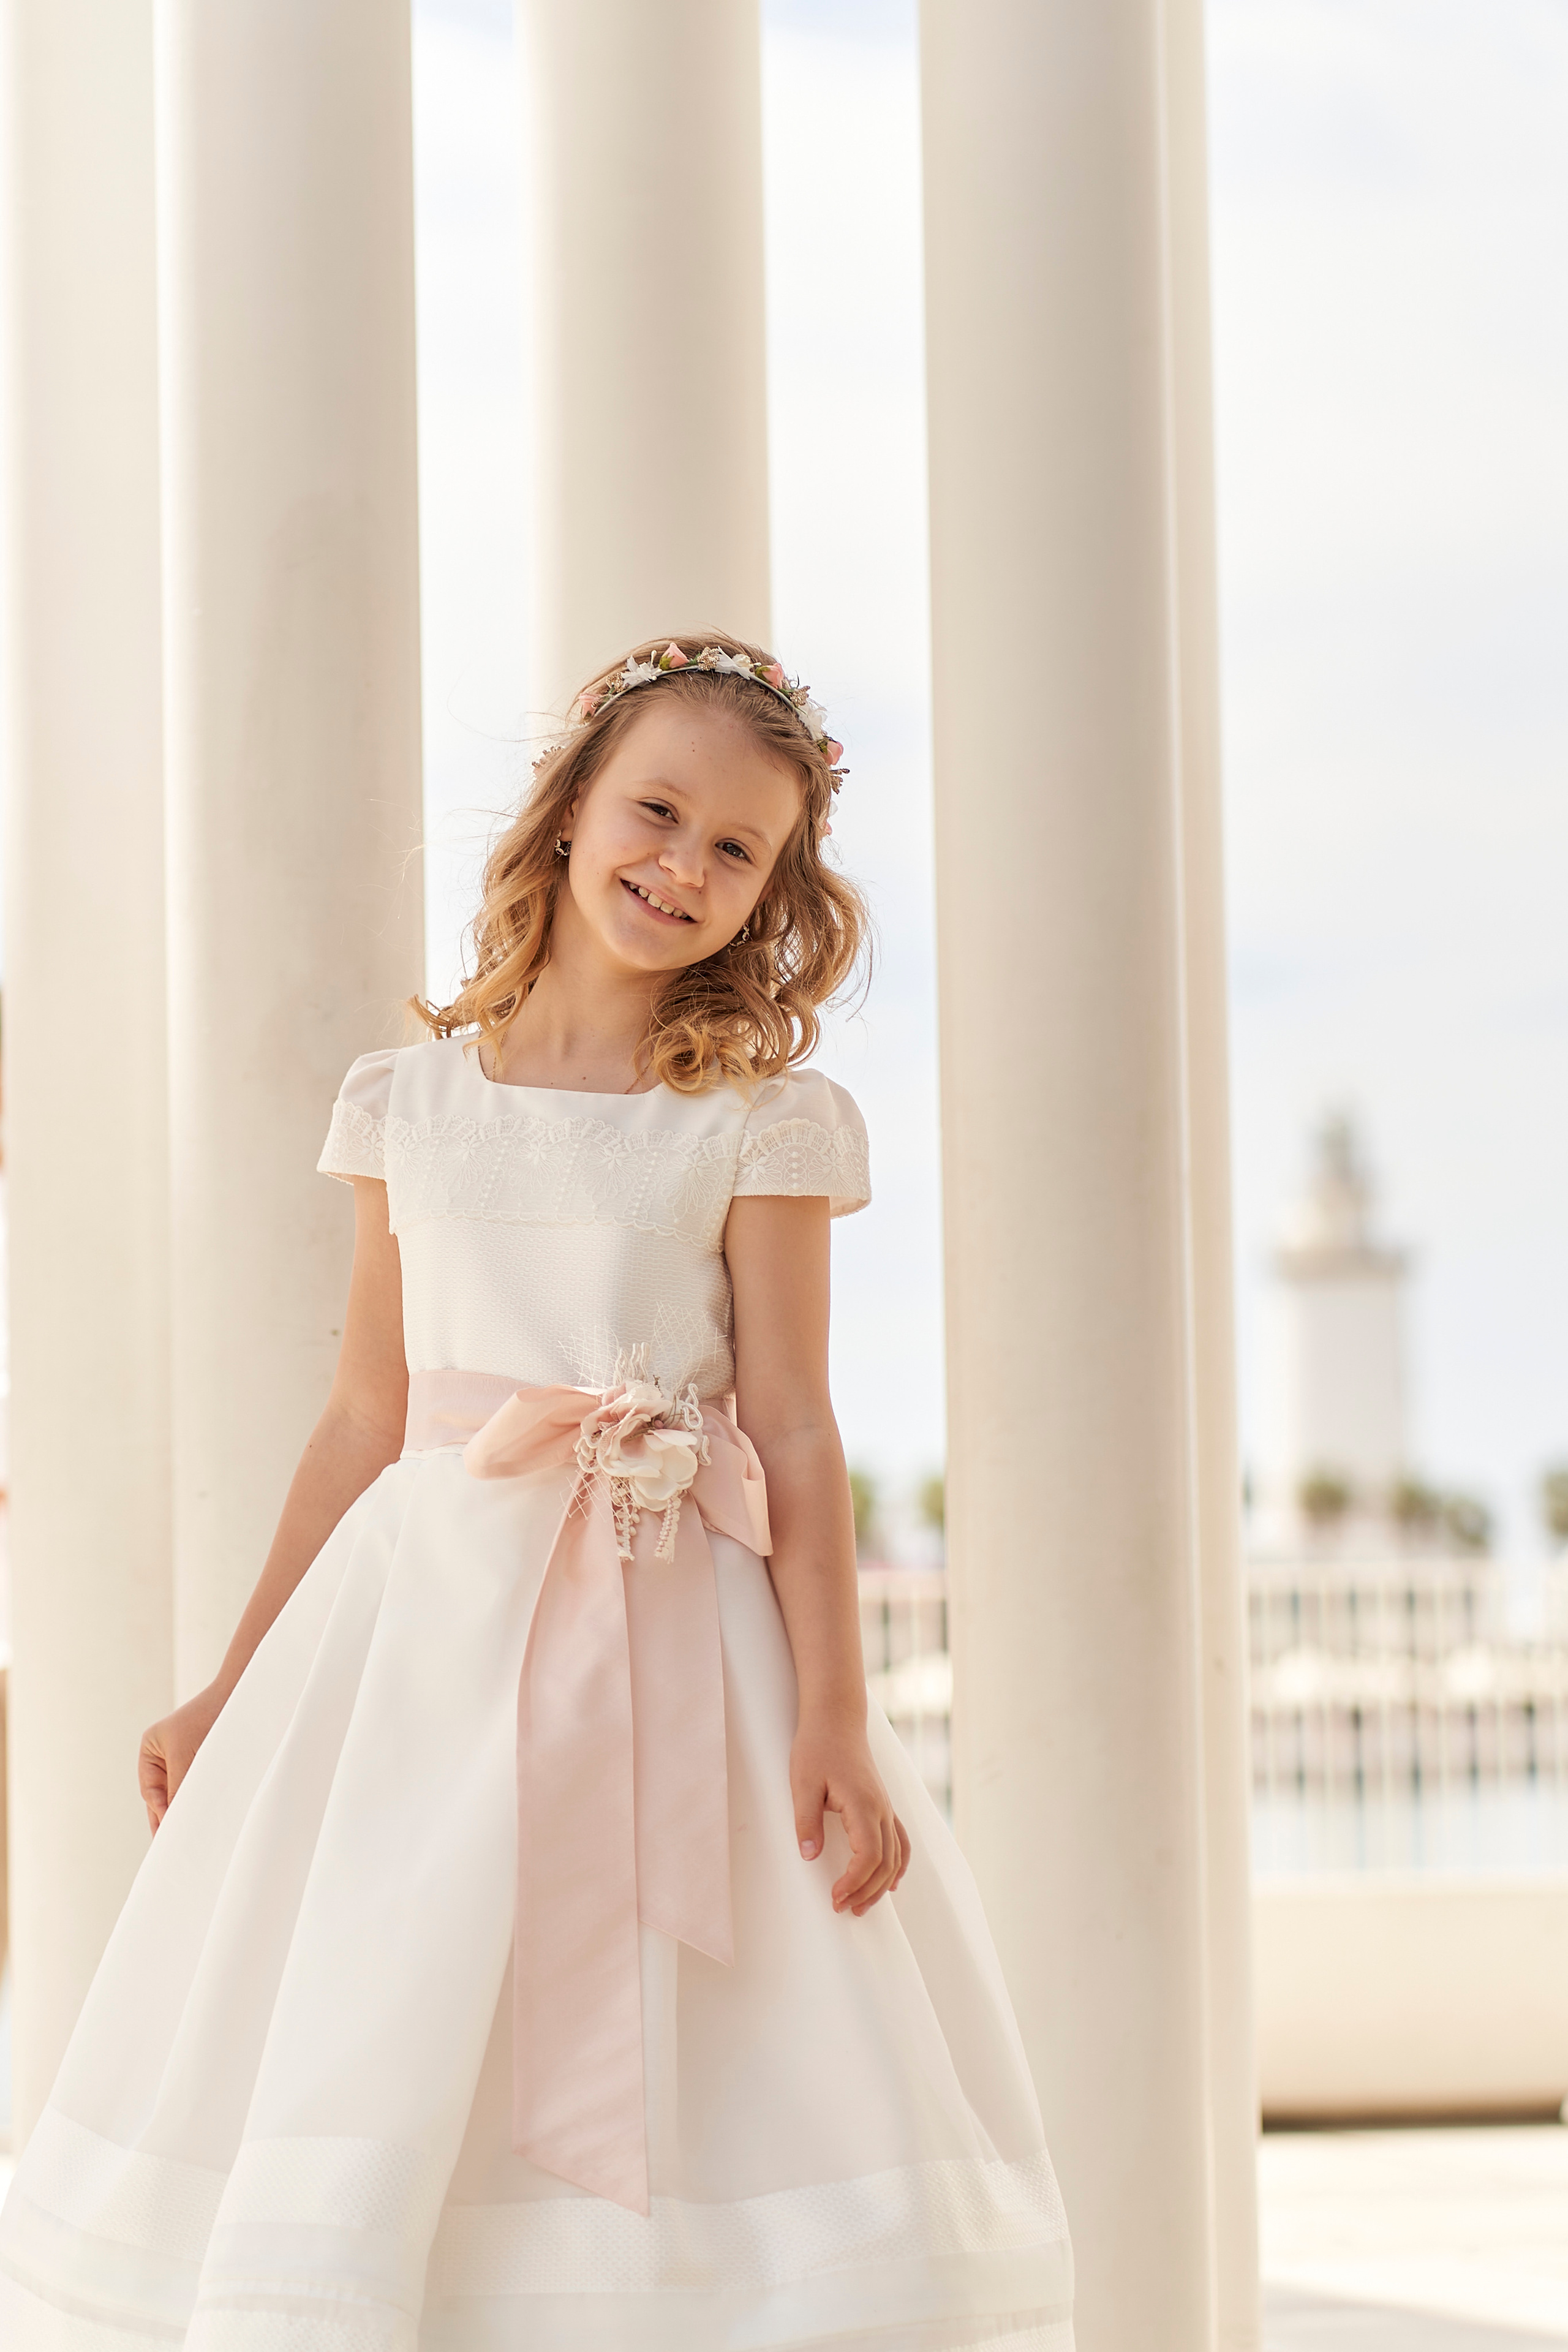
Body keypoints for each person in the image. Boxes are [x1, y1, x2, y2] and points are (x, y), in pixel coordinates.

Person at [0, 635, 1074, 2350]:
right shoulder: (406, 1103)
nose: (686, 866)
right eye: (658, 812)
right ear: (572, 808)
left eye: (739, 849)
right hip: (419, 1648)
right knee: (400, 1990)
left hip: (678, 1630)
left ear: (774, 889)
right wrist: (233, 1682)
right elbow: (364, 1418)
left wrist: (833, 1716)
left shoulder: (760, 1119)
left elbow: (795, 1429)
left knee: (710, 2024)